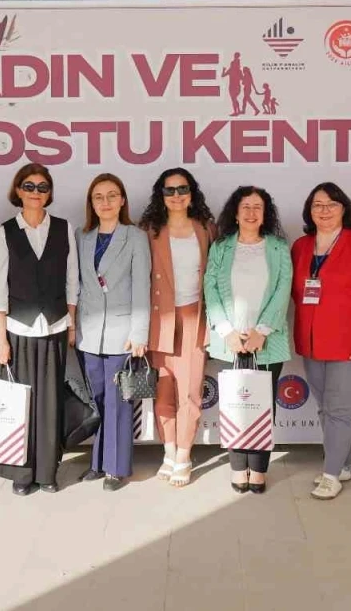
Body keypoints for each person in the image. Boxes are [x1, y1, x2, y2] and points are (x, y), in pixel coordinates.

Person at [291, 183, 351, 500]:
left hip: (350, 344)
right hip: (311, 342)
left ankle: (331, 474)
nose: (324, 211)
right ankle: (342, 463)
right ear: (309, 210)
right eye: (317, 205)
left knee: (339, 409)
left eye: (332, 204)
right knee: (325, 408)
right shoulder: (301, 247)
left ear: (344, 209)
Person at [0, 163, 79, 495]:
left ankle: (48, 471)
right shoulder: (4, 233)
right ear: (18, 191)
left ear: (49, 193)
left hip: (55, 326)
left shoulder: (64, 229)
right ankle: (22, 474)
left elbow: (72, 281)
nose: (36, 192)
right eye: (29, 186)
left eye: (42, 187)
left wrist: (71, 324)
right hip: (19, 330)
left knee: (50, 403)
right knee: (22, 403)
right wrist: (0, 338)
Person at [203, 186, 293, 495]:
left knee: (262, 406)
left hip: (267, 341)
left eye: (258, 207)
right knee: (235, 405)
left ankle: (259, 470)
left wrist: (262, 331)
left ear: (265, 214)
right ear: (236, 212)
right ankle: (238, 468)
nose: (251, 212)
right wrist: (226, 330)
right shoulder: (221, 247)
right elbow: (210, 287)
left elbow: (283, 289)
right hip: (230, 341)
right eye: (246, 206)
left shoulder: (278, 247)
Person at [138, 168, 216, 488]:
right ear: (161, 195)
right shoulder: (149, 231)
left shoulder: (206, 228)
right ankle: (168, 451)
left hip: (195, 317)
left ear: (192, 193)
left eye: (182, 189)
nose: (176, 196)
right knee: (164, 390)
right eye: (169, 190)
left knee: (191, 391)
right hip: (160, 318)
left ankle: (184, 455)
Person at [75, 174, 152, 492]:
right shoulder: (81, 236)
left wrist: (140, 333)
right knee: (98, 401)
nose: (105, 202)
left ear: (122, 201)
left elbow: (142, 286)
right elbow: (75, 284)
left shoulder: (135, 237)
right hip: (89, 333)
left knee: (119, 401)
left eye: (111, 195)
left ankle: (116, 468)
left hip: (123, 333)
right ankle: (97, 462)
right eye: (98, 196)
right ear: (91, 203)